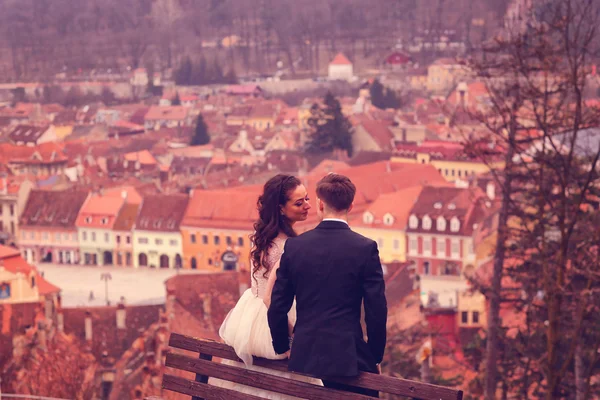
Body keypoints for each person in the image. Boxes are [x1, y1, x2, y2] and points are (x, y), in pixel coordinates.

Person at [268, 173, 388, 397]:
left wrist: (282, 346)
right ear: (351, 206)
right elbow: (376, 310)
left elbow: (278, 305)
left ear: (320, 204)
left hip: (305, 356)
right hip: (349, 357)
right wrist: (374, 356)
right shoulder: (365, 248)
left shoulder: (295, 247)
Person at [215, 174, 320, 399]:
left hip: (250, 316)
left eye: (307, 199)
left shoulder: (260, 237)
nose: (307, 206)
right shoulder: (288, 246)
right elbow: (272, 299)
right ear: (280, 208)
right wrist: (292, 336)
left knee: (256, 384)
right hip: (278, 315)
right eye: (299, 203)